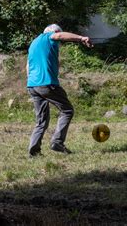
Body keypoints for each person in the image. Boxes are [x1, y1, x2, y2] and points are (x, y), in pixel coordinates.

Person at [27, 24, 93, 157]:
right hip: (46, 84)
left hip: (32, 85)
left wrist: (32, 81)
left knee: (41, 120)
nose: (59, 43)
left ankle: (34, 151)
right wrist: (81, 38)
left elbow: (27, 65)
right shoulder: (49, 37)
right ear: (54, 32)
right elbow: (59, 35)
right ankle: (57, 142)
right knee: (67, 110)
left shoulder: (34, 43)